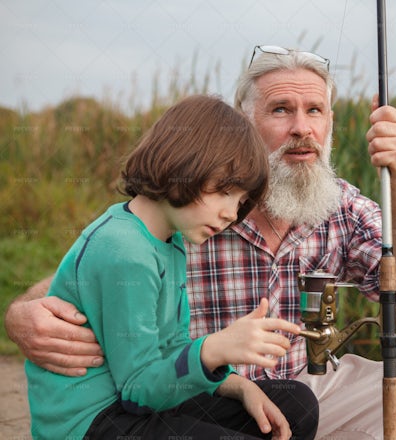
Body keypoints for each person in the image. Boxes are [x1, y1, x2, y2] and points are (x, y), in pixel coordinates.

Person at [6, 46, 396, 439]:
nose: (302, 127)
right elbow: (97, 276)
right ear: (243, 124)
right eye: (281, 109)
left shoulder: (341, 205)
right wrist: (22, 313)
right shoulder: (188, 210)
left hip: (296, 383)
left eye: (315, 111)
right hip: (178, 387)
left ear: (330, 124)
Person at [22, 94, 318, 440]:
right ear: (185, 163)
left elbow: (173, 345)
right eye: (225, 191)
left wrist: (237, 386)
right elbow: (138, 390)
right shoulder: (125, 250)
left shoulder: (169, 239)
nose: (230, 214)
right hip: (94, 421)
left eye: (239, 203)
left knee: (294, 406)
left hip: (141, 397)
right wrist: (213, 348)